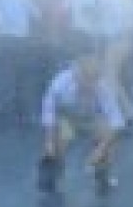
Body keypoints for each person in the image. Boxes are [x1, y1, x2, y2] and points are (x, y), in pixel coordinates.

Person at [38, 46, 125, 194]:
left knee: (107, 134)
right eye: (85, 81)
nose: (89, 85)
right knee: (61, 139)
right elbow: (49, 114)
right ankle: (53, 172)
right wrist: (48, 142)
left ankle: (102, 173)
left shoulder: (103, 88)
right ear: (77, 76)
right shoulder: (60, 84)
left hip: (91, 118)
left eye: (93, 82)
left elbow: (117, 122)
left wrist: (100, 149)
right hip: (66, 117)